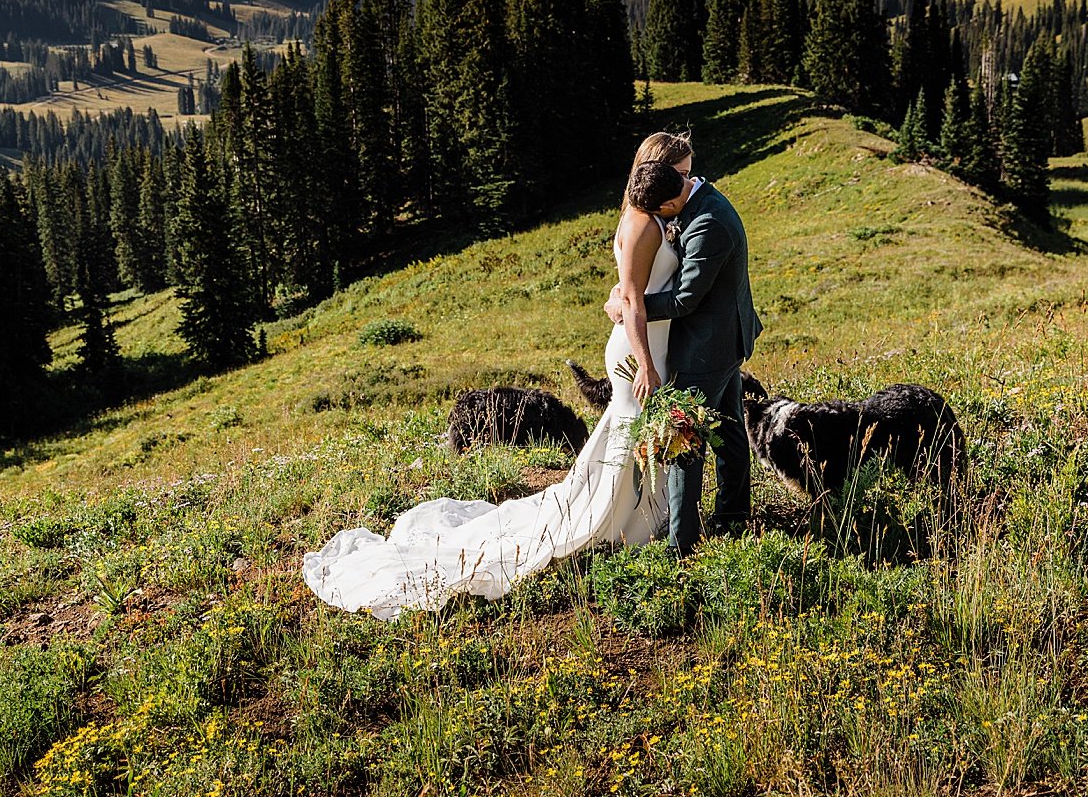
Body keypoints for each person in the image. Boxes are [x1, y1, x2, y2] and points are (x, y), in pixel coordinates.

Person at [301, 133, 694, 619]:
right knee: (632, 433)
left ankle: (634, 521)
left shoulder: (646, 218)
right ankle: (617, 527)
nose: (689, 180)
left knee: (630, 435)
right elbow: (631, 297)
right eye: (681, 173)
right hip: (638, 353)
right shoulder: (644, 225)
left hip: (643, 344)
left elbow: (623, 289)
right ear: (658, 174)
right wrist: (648, 364)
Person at [609, 157, 761, 556]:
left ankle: (683, 544)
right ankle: (732, 516)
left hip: (706, 348)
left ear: (671, 205)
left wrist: (630, 307)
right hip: (723, 340)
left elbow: (685, 299)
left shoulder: (708, 222)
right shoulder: (698, 199)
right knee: (728, 430)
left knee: (684, 444)